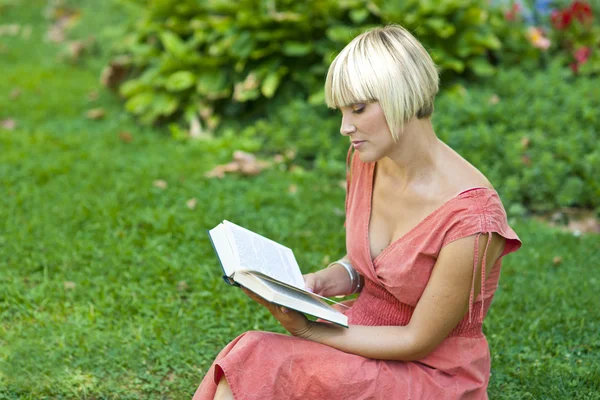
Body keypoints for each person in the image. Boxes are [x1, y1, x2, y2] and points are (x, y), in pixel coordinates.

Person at [193, 24, 521, 400]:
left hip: (431, 373)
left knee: (254, 356)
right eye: (342, 110)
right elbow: (375, 261)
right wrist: (332, 277)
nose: (345, 127)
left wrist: (309, 330)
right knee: (251, 359)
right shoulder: (369, 159)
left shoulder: (473, 219)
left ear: (404, 97)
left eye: (359, 109)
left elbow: (417, 340)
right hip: (361, 334)